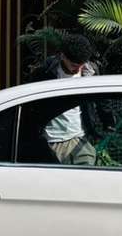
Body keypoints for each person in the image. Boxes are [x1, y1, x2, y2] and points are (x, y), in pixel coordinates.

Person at [42, 34, 98, 165]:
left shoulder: (90, 72)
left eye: (81, 65)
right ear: (62, 56)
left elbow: (100, 100)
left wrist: (107, 121)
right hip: (51, 140)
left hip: (80, 138)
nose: (78, 69)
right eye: (73, 65)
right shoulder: (46, 71)